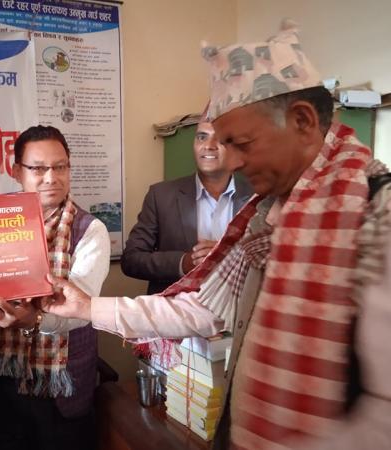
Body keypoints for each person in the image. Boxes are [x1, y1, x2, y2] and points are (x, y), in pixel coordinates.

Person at [41, 20, 391, 450]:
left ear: (301, 120)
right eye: (221, 143)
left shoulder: (376, 214)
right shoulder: (265, 215)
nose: (231, 161)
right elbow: (201, 309)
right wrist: (87, 307)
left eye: (242, 143)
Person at [0, 125, 110, 450]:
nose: (51, 178)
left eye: (60, 167)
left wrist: (34, 319)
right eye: (38, 168)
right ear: (16, 172)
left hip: (61, 387)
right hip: (3, 376)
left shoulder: (89, 230)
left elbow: (80, 311)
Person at [121, 117, 253, 294]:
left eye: (220, 138)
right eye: (202, 137)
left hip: (236, 307)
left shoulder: (258, 197)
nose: (209, 146)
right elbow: (131, 260)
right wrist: (184, 262)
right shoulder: (161, 195)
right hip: (175, 307)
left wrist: (233, 256)